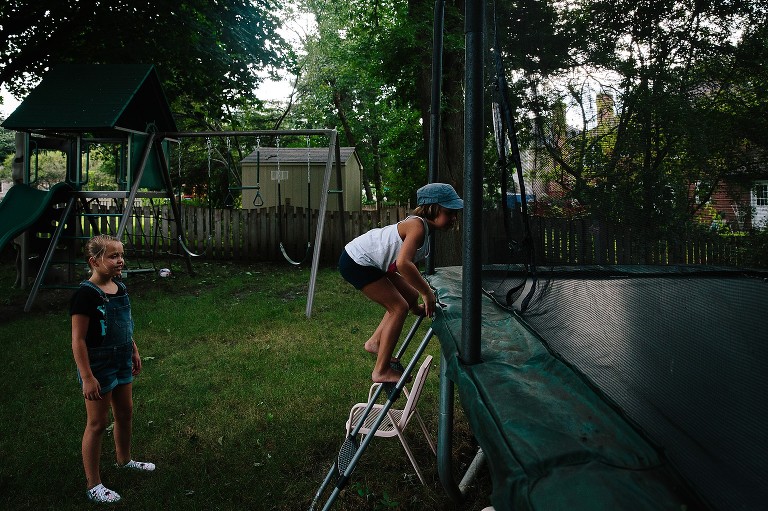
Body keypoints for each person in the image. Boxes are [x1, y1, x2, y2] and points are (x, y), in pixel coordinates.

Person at [339, 182, 463, 383]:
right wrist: (427, 292)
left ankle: (375, 343)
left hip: (373, 263)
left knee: (410, 297)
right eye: (450, 212)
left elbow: (399, 265)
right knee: (398, 307)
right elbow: (403, 264)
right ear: (433, 209)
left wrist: (417, 300)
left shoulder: (423, 229)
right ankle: (381, 371)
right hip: (357, 261)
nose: (454, 218)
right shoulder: (417, 226)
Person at [70, 235, 155, 503]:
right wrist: (87, 376)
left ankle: (124, 459)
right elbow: (78, 340)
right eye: (113, 256)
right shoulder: (85, 295)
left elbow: (124, 324)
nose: (121, 261)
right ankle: (93, 484)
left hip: (121, 359)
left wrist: (134, 349)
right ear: (94, 261)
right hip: (98, 365)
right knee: (97, 423)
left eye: (121, 255)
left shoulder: (120, 288)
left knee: (125, 412)